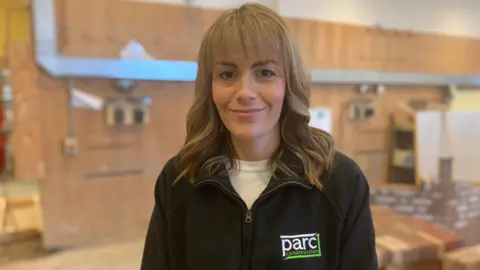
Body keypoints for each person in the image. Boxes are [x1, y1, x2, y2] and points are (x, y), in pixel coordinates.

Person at [141, 3, 377, 270]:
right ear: (210, 87)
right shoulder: (180, 179)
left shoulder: (339, 182)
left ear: (289, 83)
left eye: (265, 73)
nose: (245, 92)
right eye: (227, 74)